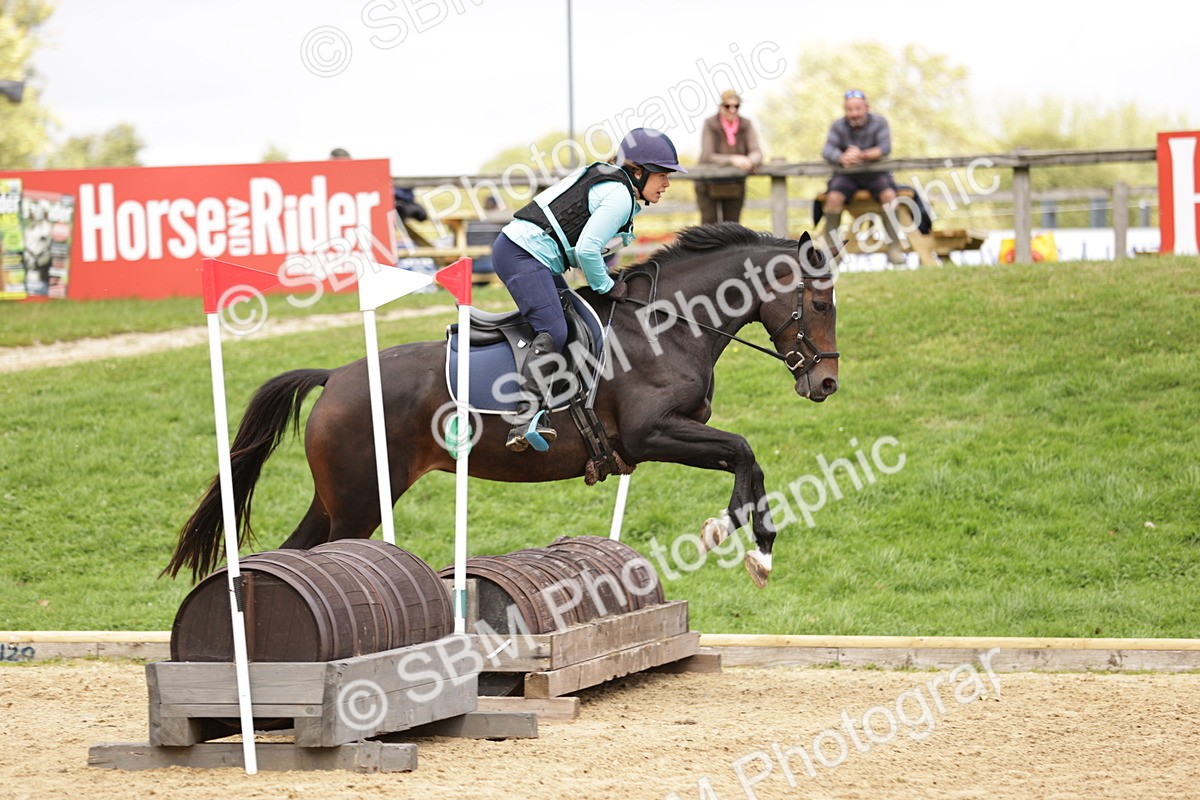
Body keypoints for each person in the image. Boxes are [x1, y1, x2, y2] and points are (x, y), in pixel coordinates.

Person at [493, 127, 686, 453]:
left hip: (527, 253)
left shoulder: (622, 189)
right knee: (554, 327)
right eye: (662, 175)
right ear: (637, 172)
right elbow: (587, 251)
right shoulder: (620, 196)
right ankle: (524, 417)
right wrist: (607, 285)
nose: (667, 183)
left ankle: (562, 402)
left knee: (572, 320)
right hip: (521, 255)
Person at [819, 90, 905, 263]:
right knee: (833, 198)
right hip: (847, 175)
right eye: (850, 109)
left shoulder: (880, 123)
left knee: (889, 196)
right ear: (845, 110)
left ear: (866, 107)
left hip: (875, 173)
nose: (854, 113)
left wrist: (862, 155)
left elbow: (884, 148)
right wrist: (841, 157)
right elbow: (827, 150)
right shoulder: (837, 126)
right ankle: (832, 251)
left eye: (857, 109)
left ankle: (894, 247)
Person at [695, 90, 763, 225]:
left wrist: (750, 160)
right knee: (709, 226)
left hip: (734, 183)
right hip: (707, 183)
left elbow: (757, 152)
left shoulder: (746, 124)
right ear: (721, 106)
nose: (732, 110)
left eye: (736, 106)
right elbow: (708, 155)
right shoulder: (710, 123)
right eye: (728, 106)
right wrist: (733, 159)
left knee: (732, 227)